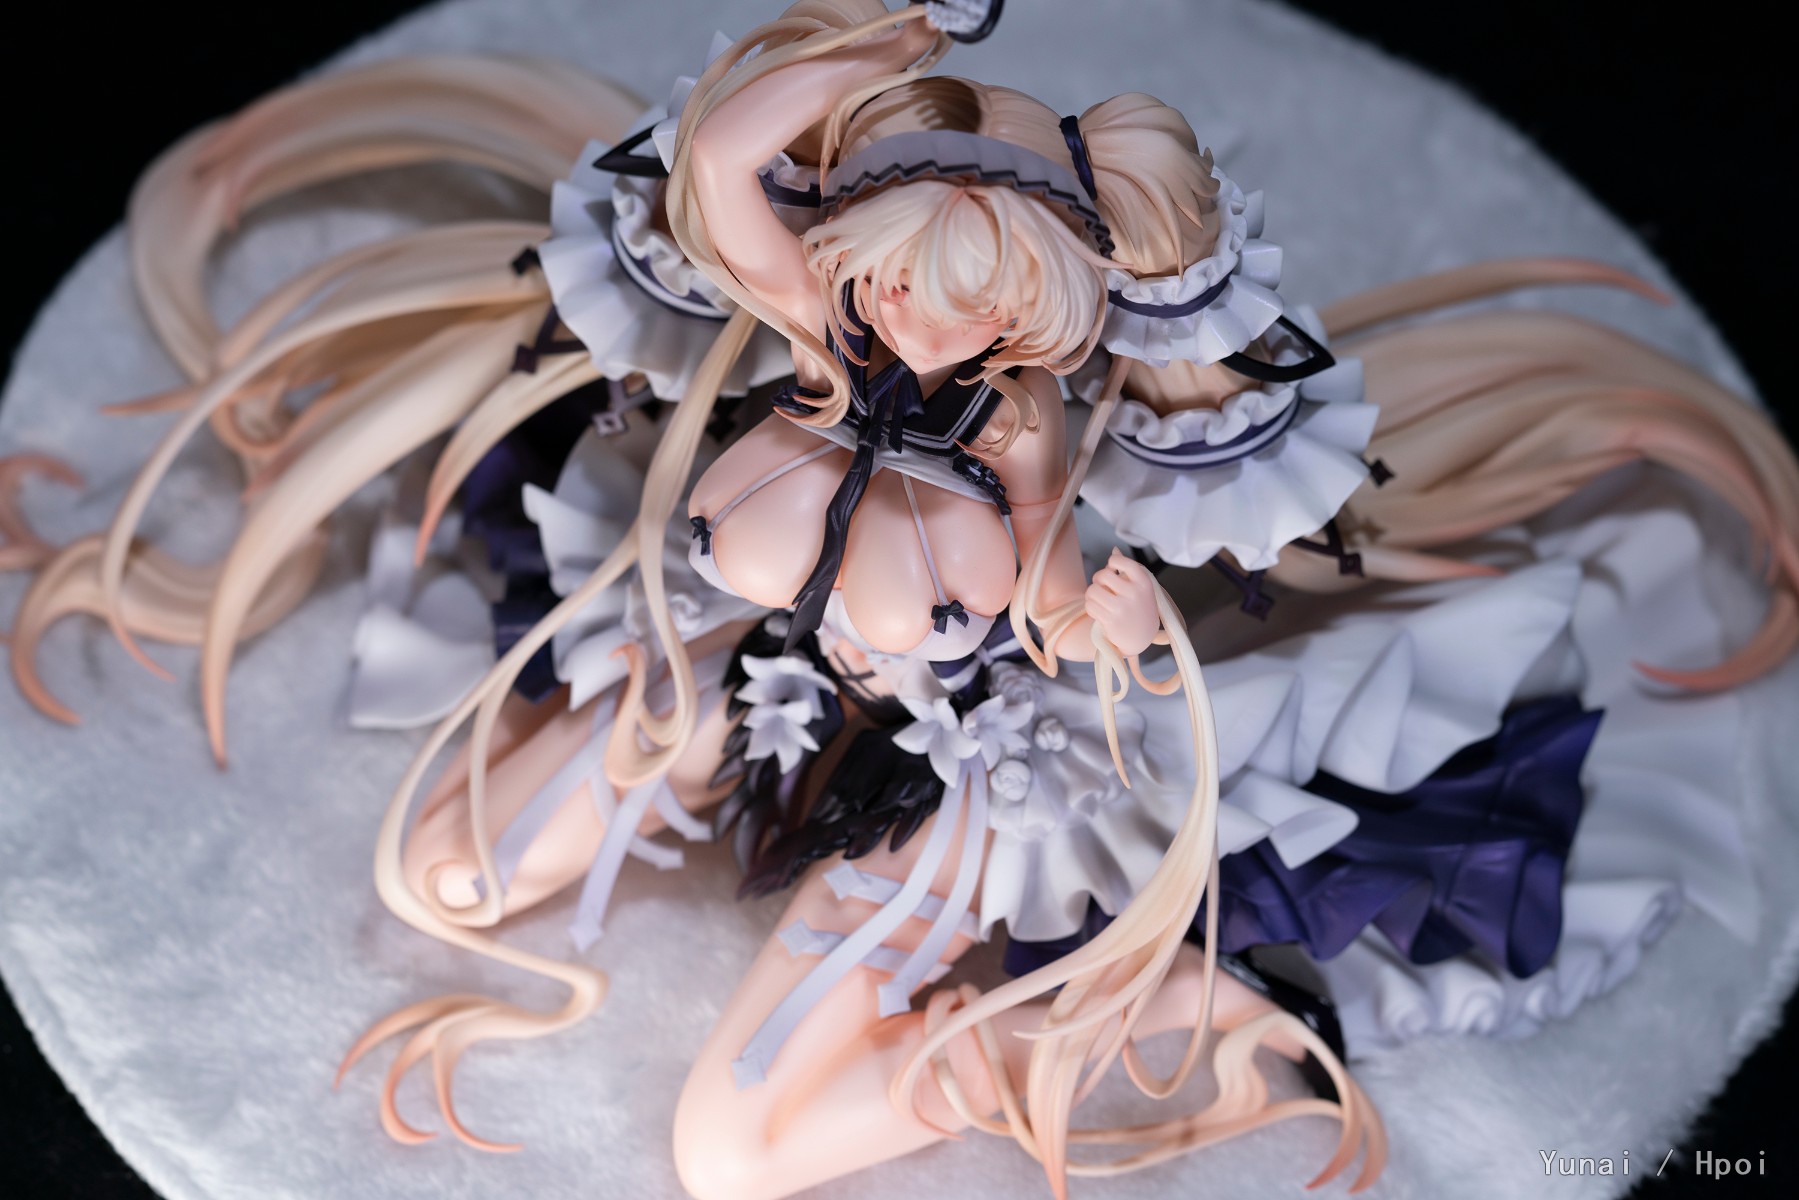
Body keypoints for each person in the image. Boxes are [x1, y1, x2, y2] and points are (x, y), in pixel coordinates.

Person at [2, 2, 1793, 1198]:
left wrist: (1099, 613)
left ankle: (1089, 1050)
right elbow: (721, 166)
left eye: (984, 302)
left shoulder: (1033, 440)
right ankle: (680, 762)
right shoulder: (801, 337)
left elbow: (1070, 584)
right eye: (906, 281)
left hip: (944, 782)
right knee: (439, 879)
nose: (930, 325)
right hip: (717, 685)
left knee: (730, 1151)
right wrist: (897, 31)